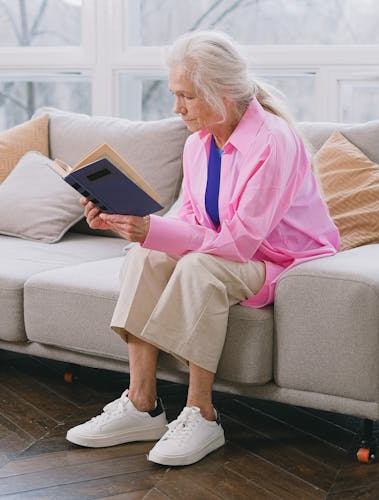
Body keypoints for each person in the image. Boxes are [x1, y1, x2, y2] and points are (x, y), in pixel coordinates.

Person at [66, 30, 340, 467]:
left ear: (224, 94)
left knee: (198, 267)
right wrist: (127, 224)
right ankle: (142, 405)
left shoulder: (272, 141)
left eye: (186, 97)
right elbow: (191, 218)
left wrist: (154, 229)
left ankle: (202, 414)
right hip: (232, 252)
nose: (177, 109)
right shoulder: (197, 143)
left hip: (280, 262)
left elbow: (241, 241)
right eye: (176, 95)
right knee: (145, 255)